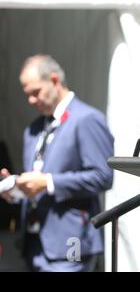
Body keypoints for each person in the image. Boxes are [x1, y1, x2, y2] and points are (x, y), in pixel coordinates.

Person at [0, 55, 114, 271]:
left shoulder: (86, 119)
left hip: (71, 240)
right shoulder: (33, 129)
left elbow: (103, 176)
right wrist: (16, 189)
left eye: (36, 92)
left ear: (54, 80)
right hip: (33, 243)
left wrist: (48, 183)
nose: (31, 101)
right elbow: (36, 181)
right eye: (28, 95)